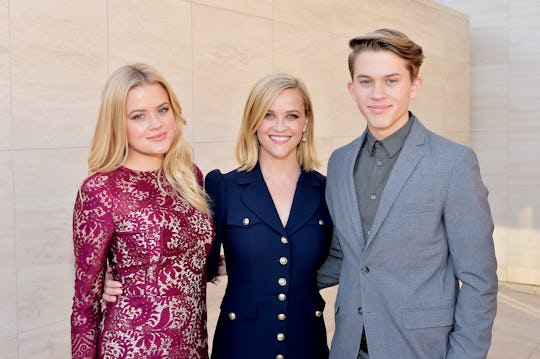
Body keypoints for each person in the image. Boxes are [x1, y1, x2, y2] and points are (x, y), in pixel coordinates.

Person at [317, 28, 498, 359]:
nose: (377, 93)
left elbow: (478, 281)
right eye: (366, 81)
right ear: (351, 89)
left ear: (414, 86)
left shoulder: (454, 162)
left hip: (419, 349)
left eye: (391, 80)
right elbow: (345, 256)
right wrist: (265, 267)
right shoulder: (340, 162)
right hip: (347, 347)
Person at [70, 63, 215, 359]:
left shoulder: (189, 176)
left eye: (163, 110)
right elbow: (84, 305)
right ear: (118, 123)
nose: (156, 124)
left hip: (192, 347)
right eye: (138, 116)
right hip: (131, 347)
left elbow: (189, 257)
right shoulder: (101, 189)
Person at [205, 72, 332, 359]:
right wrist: (122, 278)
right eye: (268, 114)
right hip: (242, 346)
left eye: (291, 115)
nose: (280, 126)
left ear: (306, 122)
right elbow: (197, 264)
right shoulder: (224, 188)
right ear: (253, 121)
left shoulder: (327, 190)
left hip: (307, 344)